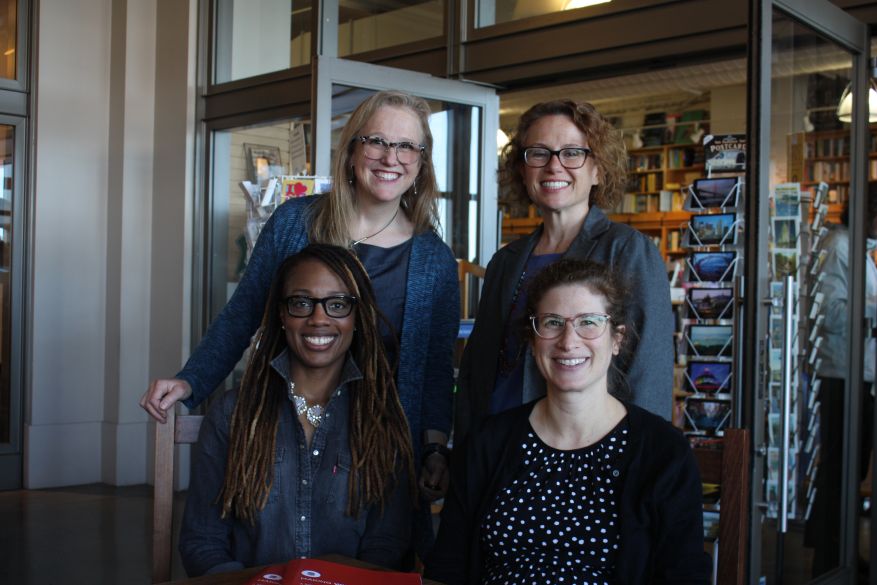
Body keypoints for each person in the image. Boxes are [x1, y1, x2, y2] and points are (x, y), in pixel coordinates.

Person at [140, 90, 459, 502]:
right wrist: (190, 380)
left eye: (406, 146)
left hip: (378, 455)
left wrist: (433, 447)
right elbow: (244, 313)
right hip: (283, 436)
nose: (389, 157)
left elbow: (434, 371)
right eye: (377, 141)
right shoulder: (295, 222)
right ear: (352, 150)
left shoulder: (434, 259)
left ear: (421, 161)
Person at [426, 258, 710, 584]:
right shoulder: (486, 444)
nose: (569, 340)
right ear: (532, 341)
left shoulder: (664, 453)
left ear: (617, 339)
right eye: (552, 323)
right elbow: (447, 568)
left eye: (589, 322)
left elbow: (684, 576)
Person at [179, 245, 415, 576]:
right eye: (302, 303)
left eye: (337, 305)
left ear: (357, 316)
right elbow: (202, 542)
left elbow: (386, 546)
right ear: (281, 314)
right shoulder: (233, 413)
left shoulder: (381, 419)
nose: (319, 319)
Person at [455, 99, 673, 442]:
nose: (554, 166)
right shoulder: (505, 262)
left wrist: (634, 463)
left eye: (572, 153)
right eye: (539, 153)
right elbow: (476, 369)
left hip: (584, 455)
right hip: (495, 448)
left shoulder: (628, 251)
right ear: (522, 169)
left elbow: (649, 372)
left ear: (598, 169)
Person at [804, 184, 877, 577]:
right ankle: (831, 558)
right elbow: (830, 312)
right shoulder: (839, 247)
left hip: (856, 373)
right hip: (840, 374)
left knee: (850, 466)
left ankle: (840, 551)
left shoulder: (858, 249)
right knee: (841, 469)